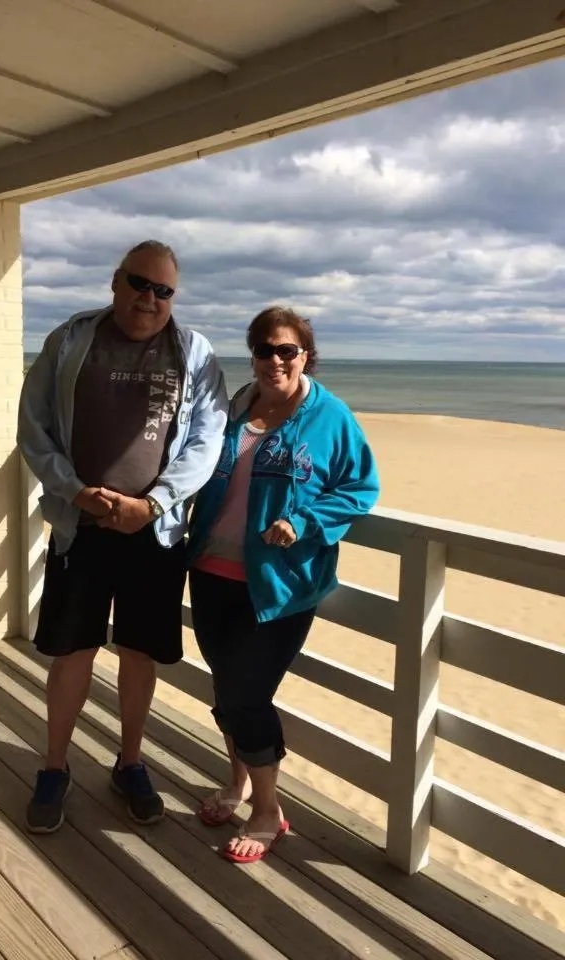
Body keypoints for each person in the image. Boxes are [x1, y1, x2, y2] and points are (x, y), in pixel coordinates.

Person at [17, 240, 227, 832]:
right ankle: (54, 767)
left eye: (164, 290)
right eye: (140, 283)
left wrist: (154, 502)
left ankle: (129, 762)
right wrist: (75, 491)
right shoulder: (70, 341)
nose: (150, 298)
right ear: (116, 281)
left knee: (139, 655)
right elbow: (33, 428)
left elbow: (205, 441)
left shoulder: (195, 353)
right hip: (78, 527)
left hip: (152, 535)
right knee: (72, 652)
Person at [187, 306, 379, 863]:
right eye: (265, 349)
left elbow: (360, 487)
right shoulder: (233, 409)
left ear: (305, 356)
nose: (275, 360)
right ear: (252, 354)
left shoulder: (329, 417)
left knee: (247, 693)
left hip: (280, 584)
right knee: (226, 690)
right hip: (211, 572)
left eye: (287, 350)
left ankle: (268, 810)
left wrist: (304, 521)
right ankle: (237, 783)